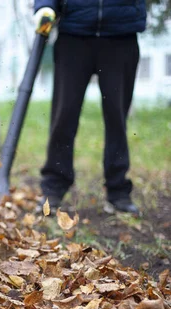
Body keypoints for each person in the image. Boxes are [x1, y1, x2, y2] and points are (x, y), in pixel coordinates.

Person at [34, 0, 147, 215]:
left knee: (117, 119)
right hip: (74, 32)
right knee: (63, 116)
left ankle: (118, 192)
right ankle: (54, 188)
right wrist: (44, 5)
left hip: (121, 32)